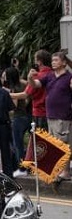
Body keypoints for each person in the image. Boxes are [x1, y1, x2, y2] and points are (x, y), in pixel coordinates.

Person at [27, 50, 72, 182]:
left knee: (62, 144)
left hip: (63, 115)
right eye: (52, 60)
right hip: (50, 114)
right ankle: (61, 172)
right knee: (55, 144)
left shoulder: (69, 77)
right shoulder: (50, 76)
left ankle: (64, 172)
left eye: (56, 60)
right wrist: (30, 77)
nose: (53, 62)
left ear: (64, 63)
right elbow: (35, 85)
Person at [2, 66, 30, 177]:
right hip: (26, 116)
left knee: (17, 144)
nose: (3, 77)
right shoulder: (22, 85)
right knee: (22, 144)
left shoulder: (14, 88)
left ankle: (22, 169)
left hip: (18, 118)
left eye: (5, 75)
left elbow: (14, 107)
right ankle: (26, 166)